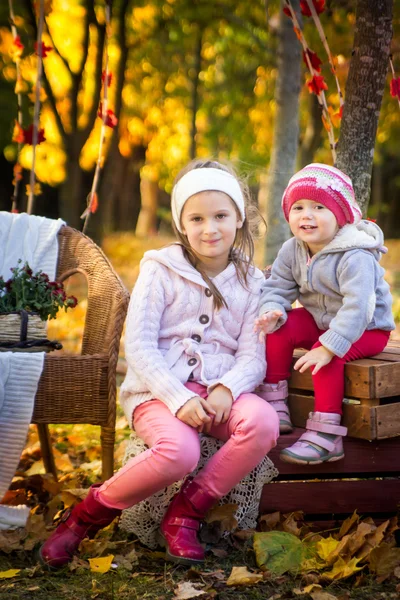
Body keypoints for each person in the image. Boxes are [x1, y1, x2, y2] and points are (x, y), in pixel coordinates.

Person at [39, 159, 279, 569]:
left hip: (222, 393)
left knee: (262, 423)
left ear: (239, 218)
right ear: (182, 224)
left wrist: (227, 388)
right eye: (197, 218)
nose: (210, 228)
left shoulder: (253, 282)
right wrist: (178, 396)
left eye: (221, 216)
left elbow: (253, 355)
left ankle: (186, 512)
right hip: (158, 392)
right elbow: (141, 346)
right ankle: (85, 518)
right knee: (179, 452)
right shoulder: (160, 268)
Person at [254, 163, 395, 465]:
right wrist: (272, 310)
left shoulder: (355, 255)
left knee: (327, 354)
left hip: (367, 329)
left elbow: (359, 307)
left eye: (319, 207)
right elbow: (278, 287)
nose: (306, 215)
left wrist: (330, 346)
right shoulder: (293, 249)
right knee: (282, 326)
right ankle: (275, 403)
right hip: (322, 320)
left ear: (341, 216)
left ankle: (328, 433)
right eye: (298, 207)